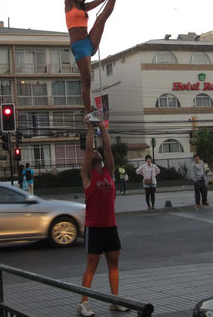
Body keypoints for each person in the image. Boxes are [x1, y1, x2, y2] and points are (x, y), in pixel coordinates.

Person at [78, 117, 130, 316]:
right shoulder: (88, 175)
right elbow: (90, 149)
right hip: (94, 227)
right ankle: (84, 302)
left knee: (114, 262)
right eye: (94, 153)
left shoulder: (108, 172)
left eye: (98, 153)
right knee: (92, 264)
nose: (97, 153)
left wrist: (102, 127)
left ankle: (114, 301)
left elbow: (107, 149)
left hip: (110, 226)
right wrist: (91, 127)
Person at [65, 0, 125, 123]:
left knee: (101, 18)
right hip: (79, 47)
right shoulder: (68, 5)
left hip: (89, 42)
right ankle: (88, 112)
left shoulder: (84, 7)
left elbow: (100, 0)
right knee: (86, 81)